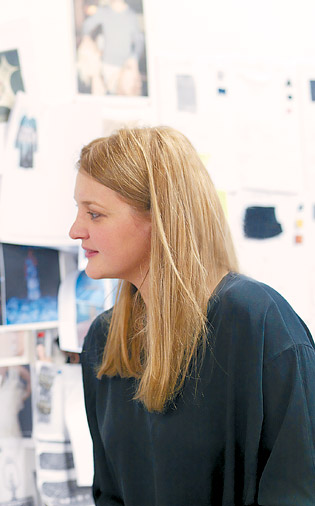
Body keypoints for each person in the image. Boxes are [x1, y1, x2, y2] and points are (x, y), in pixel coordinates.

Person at [69, 126, 315, 505]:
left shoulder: (259, 323)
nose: (75, 230)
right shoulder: (103, 341)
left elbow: (297, 491)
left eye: (95, 214)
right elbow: (110, 493)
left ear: (159, 217)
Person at [77, 0, 145, 96]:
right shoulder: (104, 12)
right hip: (106, 65)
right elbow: (86, 26)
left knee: (125, 96)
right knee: (103, 94)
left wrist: (134, 57)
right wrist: (86, 37)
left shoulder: (131, 16)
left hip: (124, 67)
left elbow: (139, 41)